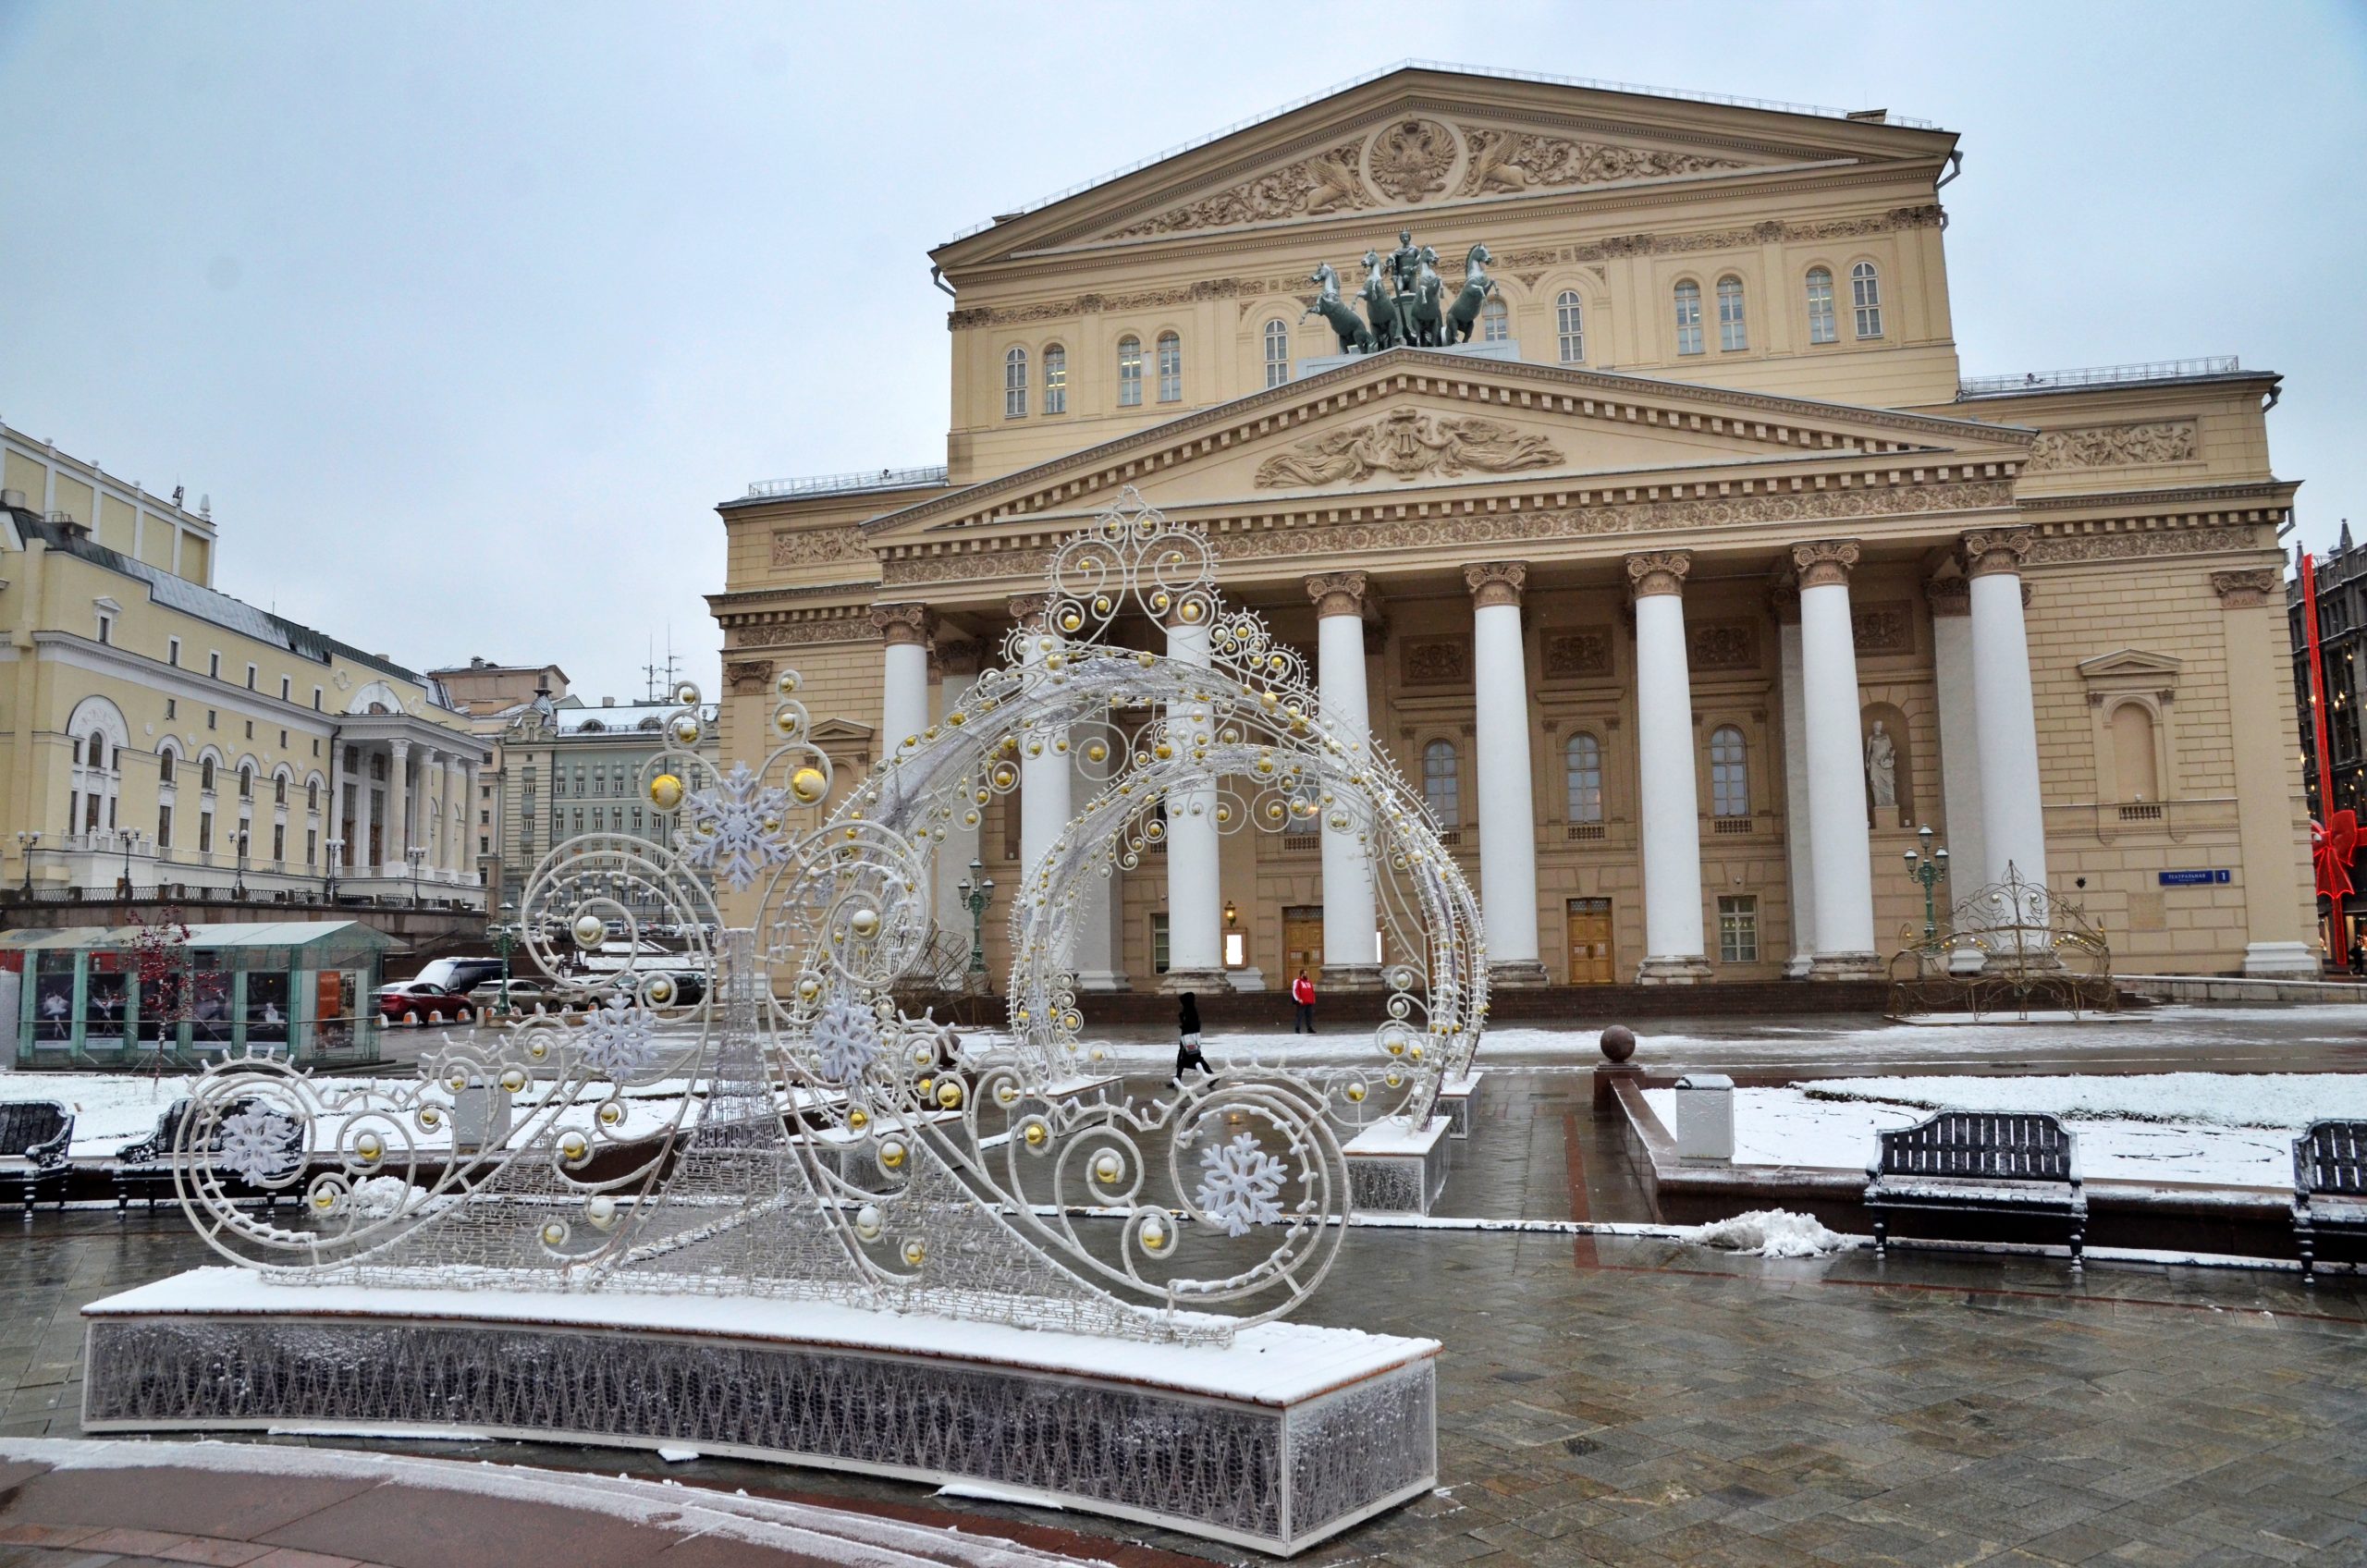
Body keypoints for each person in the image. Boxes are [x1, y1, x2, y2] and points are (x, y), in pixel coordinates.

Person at [1173, 991, 1210, 1084]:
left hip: (1189, 1039)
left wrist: (1183, 1022)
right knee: (1184, 1060)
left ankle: (1211, 1075)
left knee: (1194, 1059)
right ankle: (1177, 1080)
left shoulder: (1191, 1011)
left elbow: (1191, 1025)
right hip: (1187, 1038)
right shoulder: (1188, 1010)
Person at [1291, 969, 1317, 1034]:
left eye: (1306, 974)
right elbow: (1295, 990)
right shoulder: (1298, 981)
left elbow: (1312, 991)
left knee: (1309, 1015)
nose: (1306, 975)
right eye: (1305, 974)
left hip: (1309, 1001)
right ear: (1301, 974)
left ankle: (1309, 1028)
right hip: (1302, 1002)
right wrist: (1298, 999)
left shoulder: (1309, 982)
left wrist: (1313, 999)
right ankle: (1297, 1028)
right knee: (1299, 1015)